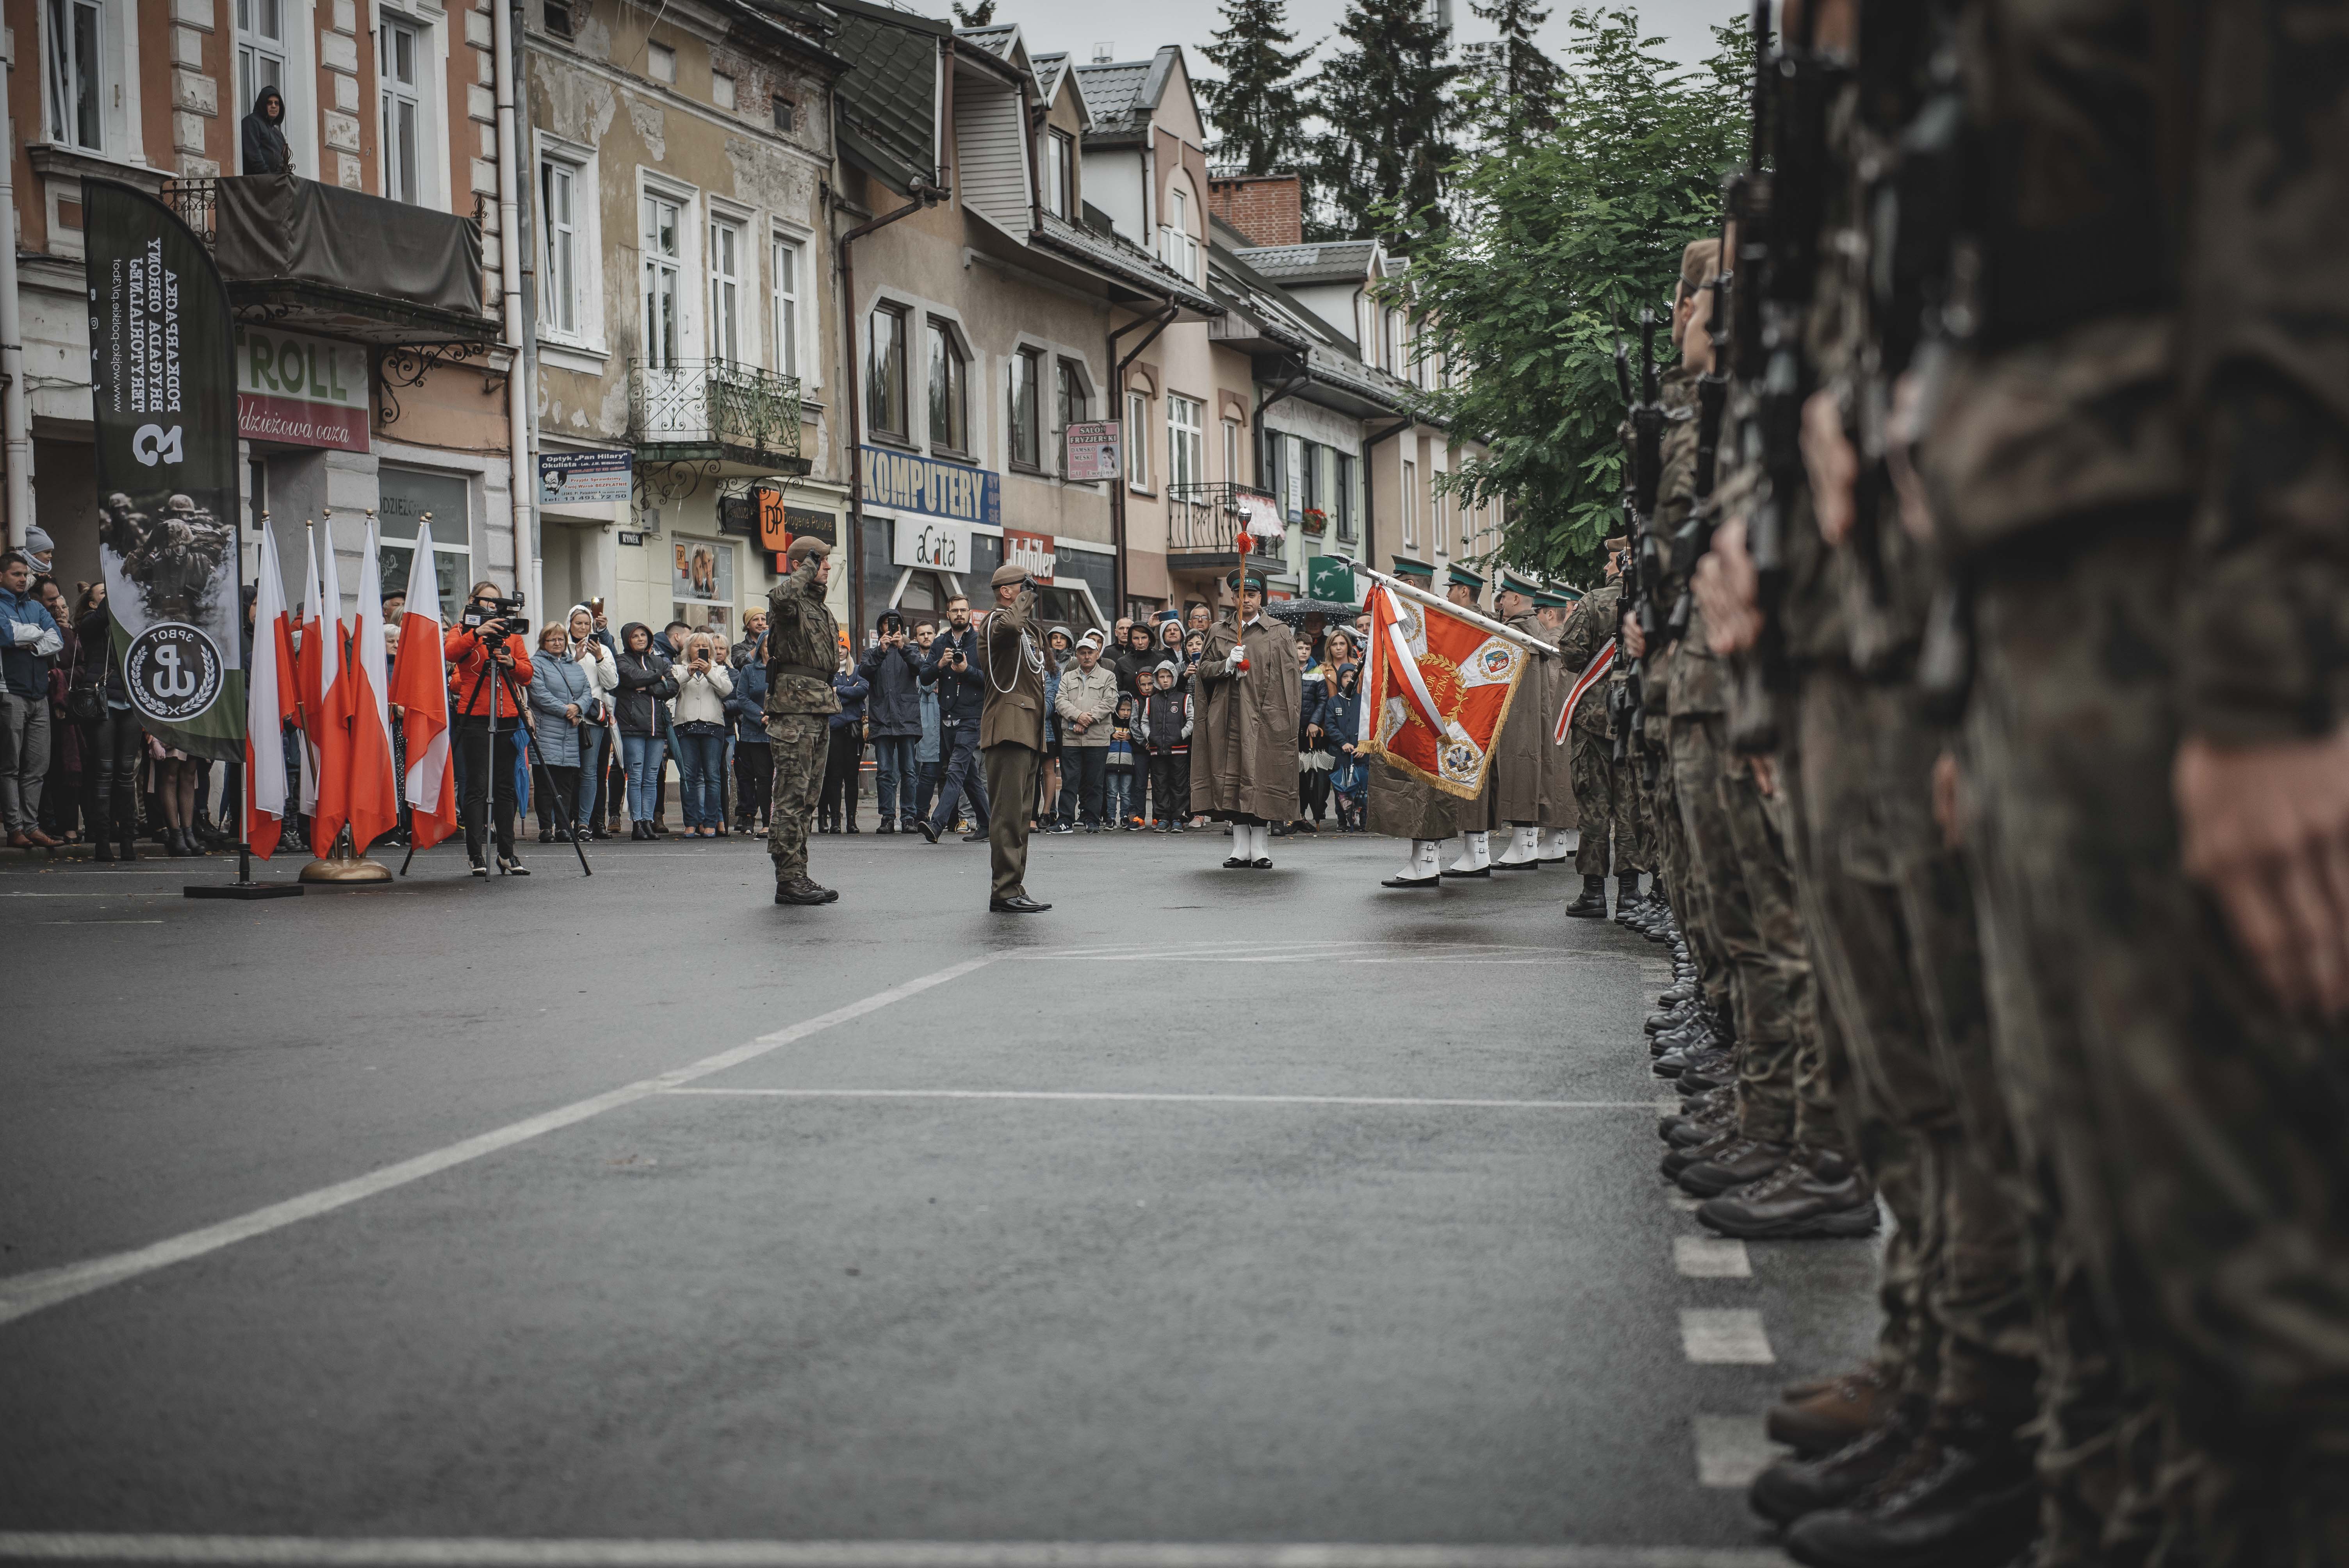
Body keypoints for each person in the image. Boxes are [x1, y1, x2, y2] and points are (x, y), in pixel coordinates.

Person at [1191, 567, 1300, 869]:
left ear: (1261, 597)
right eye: (1240, 595)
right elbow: (1204, 673)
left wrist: (1284, 719)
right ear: (1233, 598)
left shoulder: (1277, 632)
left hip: (1265, 720)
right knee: (1232, 778)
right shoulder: (1218, 631)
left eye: (1251, 595)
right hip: (1227, 719)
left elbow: (1289, 680)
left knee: (1260, 776)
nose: (1246, 600)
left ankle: (1261, 847)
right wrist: (1226, 665)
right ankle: (1240, 846)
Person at [761, 536, 841, 904]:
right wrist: (807, 563)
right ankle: (788, 878)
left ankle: (799, 874)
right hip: (793, 712)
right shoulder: (789, 606)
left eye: (824, 562)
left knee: (809, 797)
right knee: (791, 795)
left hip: (819, 708)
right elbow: (780, 598)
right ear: (801, 566)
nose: (826, 568)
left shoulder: (821, 610)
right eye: (820, 562)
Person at [1366, 556, 1454, 887]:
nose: (1390, 585)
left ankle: (1426, 862)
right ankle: (1423, 860)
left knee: (1424, 787)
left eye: (1396, 580)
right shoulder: (1435, 618)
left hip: (1424, 715)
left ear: (1411, 584)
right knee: (1419, 787)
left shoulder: (1420, 619)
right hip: (1421, 714)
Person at [442, 582, 535, 875]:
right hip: (476, 716)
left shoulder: (511, 635)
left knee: (505, 788)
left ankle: (507, 853)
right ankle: (475, 854)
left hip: (507, 715)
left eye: (498, 602)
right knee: (477, 786)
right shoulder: (461, 629)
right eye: (488, 601)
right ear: (473, 601)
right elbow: (451, 654)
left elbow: (528, 674)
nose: (494, 607)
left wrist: (510, 663)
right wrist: (477, 634)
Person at [977, 562, 1050, 913]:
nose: (1030, 592)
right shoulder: (996, 622)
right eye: (1024, 587)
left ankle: (1014, 886)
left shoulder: (1024, 629)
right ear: (1007, 592)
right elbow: (1009, 625)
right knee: (1007, 817)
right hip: (1007, 728)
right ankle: (1004, 891)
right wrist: (1024, 600)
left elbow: (1040, 661)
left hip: (1028, 729)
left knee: (1021, 817)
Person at [0, 550, 62, 848]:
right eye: (17, 574)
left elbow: (57, 640)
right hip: (9, 692)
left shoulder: (36, 606)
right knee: (10, 766)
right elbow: (7, 635)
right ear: (1, 576)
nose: (24, 579)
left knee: (37, 767)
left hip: (40, 695)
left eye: (26, 575)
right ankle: (15, 829)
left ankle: (31, 826)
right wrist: (36, 635)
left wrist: (31, 641)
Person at [915, 595, 989, 844]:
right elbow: (924, 678)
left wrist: (965, 670)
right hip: (947, 715)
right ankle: (988, 824)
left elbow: (990, 681)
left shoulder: (981, 642)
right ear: (948, 615)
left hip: (972, 716)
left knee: (956, 770)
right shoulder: (940, 643)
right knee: (968, 775)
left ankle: (936, 824)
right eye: (955, 611)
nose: (959, 614)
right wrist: (940, 664)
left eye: (963, 610)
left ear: (970, 614)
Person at [526, 624, 595, 842]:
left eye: (561, 640)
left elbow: (587, 692)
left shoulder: (575, 666)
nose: (557, 643)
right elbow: (539, 694)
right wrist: (567, 710)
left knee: (566, 784)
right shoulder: (535, 664)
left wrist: (578, 708)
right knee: (545, 784)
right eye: (552, 640)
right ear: (543, 643)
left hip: (570, 734)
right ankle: (546, 827)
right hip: (547, 731)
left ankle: (564, 826)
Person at [858, 611, 923, 832]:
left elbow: (921, 670)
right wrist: (881, 651)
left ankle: (908, 817)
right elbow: (864, 672)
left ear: (900, 628)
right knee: (884, 771)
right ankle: (887, 817)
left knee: (909, 771)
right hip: (882, 719)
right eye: (885, 625)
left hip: (907, 718)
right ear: (880, 629)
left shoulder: (911, 650)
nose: (889, 628)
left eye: (893, 625)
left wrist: (903, 648)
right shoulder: (871, 653)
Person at [612, 622, 676, 840]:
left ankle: (648, 821)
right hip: (632, 727)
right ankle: (637, 823)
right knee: (636, 776)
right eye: (635, 636)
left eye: (644, 635)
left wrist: (649, 685)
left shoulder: (658, 661)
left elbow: (673, 686)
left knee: (651, 777)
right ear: (627, 640)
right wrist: (659, 678)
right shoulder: (621, 660)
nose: (641, 639)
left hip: (656, 728)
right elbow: (631, 677)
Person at [669, 631, 733, 839]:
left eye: (704, 647)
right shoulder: (678, 669)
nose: (700, 650)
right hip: (686, 725)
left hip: (713, 725)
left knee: (713, 776)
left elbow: (726, 691)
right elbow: (671, 690)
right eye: (696, 646)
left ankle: (710, 822)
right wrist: (689, 672)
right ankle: (690, 822)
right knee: (688, 776)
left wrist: (709, 672)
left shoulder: (720, 670)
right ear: (688, 650)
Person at [1055, 627, 1119, 832]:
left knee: (1094, 782)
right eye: (1082, 652)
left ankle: (1091, 820)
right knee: (1069, 781)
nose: (1087, 656)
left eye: (1090, 652)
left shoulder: (1108, 676)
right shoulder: (1068, 677)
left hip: (1097, 738)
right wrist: (1078, 717)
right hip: (1071, 738)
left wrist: (1086, 719)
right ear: (1077, 655)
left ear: (1098, 654)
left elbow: (1110, 702)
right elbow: (1060, 702)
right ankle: (1065, 820)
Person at [561, 606, 617, 839]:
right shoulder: (561, 648)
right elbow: (558, 678)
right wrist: (575, 659)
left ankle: (584, 823)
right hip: (565, 717)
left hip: (593, 719)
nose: (583, 628)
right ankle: (562, 823)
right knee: (565, 772)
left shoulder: (602, 649)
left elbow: (612, 683)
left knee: (590, 772)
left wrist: (599, 658)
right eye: (579, 623)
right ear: (570, 624)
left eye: (587, 624)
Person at [724, 629, 772, 833]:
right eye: (768, 644)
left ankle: (778, 821)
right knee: (761, 778)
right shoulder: (749, 671)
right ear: (760, 647)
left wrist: (777, 715)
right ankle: (766, 822)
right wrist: (762, 716)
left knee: (779, 779)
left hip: (781, 731)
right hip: (755, 733)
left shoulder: (785, 670)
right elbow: (742, 698)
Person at [1138, 661, 1191, 831]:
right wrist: (1150, 736)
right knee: (1159, 785)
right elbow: (1144, 722)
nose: (1166, 680)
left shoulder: (1184, 698)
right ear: (1156, 679)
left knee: (1179, 784)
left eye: (1169, 676)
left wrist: (1180, 735)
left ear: (1175, 677)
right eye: (1162, 677)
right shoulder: (1151, 701)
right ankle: (1162, 818)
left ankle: (1178, 818)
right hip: (1157, 751)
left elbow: (1192, 721)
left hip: (1179, 750)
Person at [820, 648, 868, 834]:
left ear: (848, 649)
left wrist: (838, 691)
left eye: (843, 647)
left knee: (851, 777)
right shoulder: (827, 672)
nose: (839, 651)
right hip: (834, 731)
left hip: (853, 733)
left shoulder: (857, 670)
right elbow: (825, 696)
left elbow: (863, 690)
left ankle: (852, 821)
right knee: (834, 777)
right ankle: (835, 821)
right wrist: (851, 692)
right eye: (836, 647)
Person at [1325, 661, 1367, 831]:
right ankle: (1342, 820)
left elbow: (1369, 726)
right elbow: (1329, 726)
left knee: (1363, 789)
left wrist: (1364, 746)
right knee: (1341, 789)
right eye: (1345, 677)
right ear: (1340, 680)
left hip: (1361, 753)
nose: (1350, 680)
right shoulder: (1333, 703)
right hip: (1341, 753)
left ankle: (1363, 821)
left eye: (1353, 676)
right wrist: (1342, 742)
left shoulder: (1364, 702)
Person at [909, 619, 943, 829]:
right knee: (925, 771)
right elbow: (925, 683)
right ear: (916, 638)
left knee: (943, 771)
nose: (927, 637)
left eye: (930, 633)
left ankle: (948, 815)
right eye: (922, 634)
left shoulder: (941, 655)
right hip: (924, 718)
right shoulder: (913, 659)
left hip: (943, 715)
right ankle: (920, 813)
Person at [1105, 694, 1139, 830]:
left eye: (1129, 710)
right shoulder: (1111, 726)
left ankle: (1124, 816)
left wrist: (1130, 738)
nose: (1126, 713)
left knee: (1126, 793)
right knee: (1112, 792)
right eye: (1122, 710)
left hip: (1128, 765)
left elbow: (1138, 742)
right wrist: (1111, 735)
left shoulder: (1133, 726)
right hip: (1111, 764)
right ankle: (1111, 817)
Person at [240, 87, 289, 175]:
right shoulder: (251, 122)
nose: (274, 106)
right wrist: (269, 178)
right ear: (263, 104)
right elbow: (254, 155)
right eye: (269, 103)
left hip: (277, 184)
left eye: (277, 103)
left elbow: (284, 163)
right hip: (260, 183)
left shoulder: (278, 134)